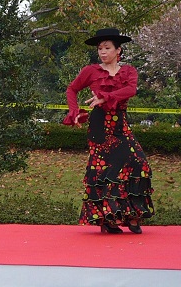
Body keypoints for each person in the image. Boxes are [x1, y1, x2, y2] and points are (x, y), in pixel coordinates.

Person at [63, 28, 154, 234]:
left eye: (107, 48)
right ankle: (108, 219)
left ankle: (133, 214)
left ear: (118, 50)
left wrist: (105, 97)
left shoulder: (128, 71)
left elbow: (130, 90)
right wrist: (74, 111)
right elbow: (72, 89)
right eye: (100, 48)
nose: (103, 52)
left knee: (139, 163)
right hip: (99, 125)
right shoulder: (91, 71)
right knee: (104, 171)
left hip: (120, 124)